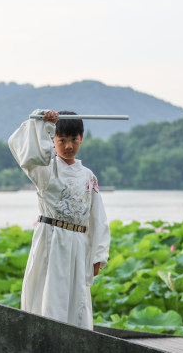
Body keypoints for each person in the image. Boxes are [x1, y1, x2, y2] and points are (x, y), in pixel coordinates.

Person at [8, 109, 111, 329]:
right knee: (49, 297)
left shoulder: (88, 176)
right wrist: (43, 122)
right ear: (52, 141)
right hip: (51, 242)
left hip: (78, 245)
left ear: (81, 138)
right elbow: (24, 153)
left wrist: (98, 254)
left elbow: (98, 217)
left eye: (74, 139)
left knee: (77, 300)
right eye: (61, 140)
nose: (68, 146)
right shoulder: (46, 169)